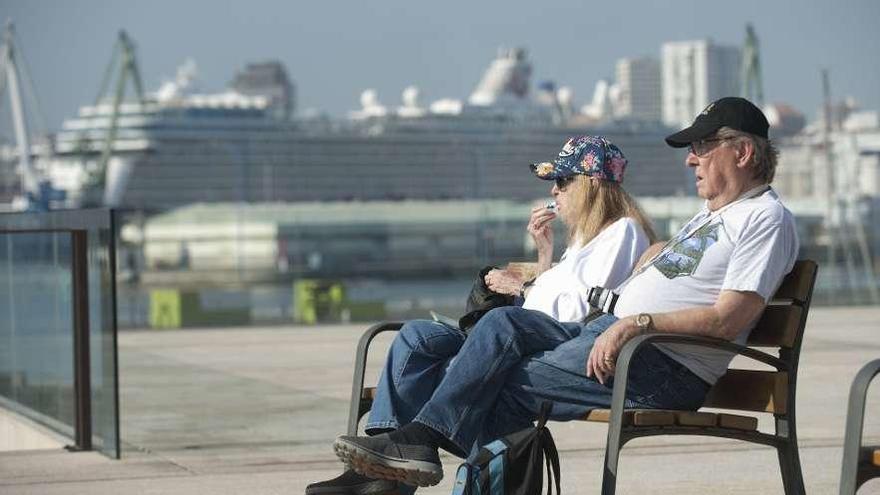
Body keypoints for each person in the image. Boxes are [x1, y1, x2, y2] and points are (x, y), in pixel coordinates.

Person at [330, 97, 799, 490]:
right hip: (618, 341)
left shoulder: (763, 219)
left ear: (740, 153)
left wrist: (635, 324)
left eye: (701, 146)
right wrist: (648, 265)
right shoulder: (714, 216)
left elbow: (728, 319)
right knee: (500, 324)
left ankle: (401, 462)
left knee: (495, 381)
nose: (690, 158)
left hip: (655, 365)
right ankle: (406, 456)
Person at [305, 135, 655, 495]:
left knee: (499, 322)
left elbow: (581, 311)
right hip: (516, 332)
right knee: (416, 337)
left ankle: (418, 442)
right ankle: (383, 468)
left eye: (563, 182)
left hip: (549, 341)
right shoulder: (581, 243)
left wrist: (521, 288)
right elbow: (555, 296)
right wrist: (544, 257)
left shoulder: (623, 232)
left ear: (592, 184)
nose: (554, 192)